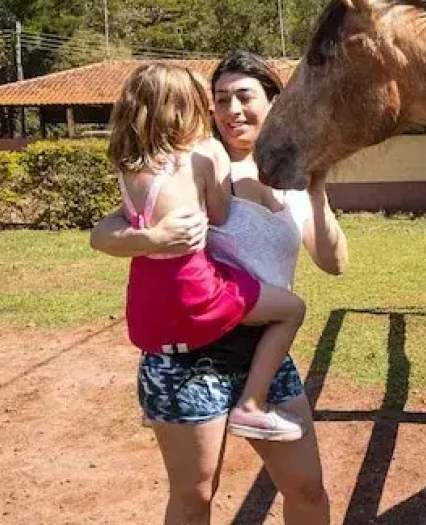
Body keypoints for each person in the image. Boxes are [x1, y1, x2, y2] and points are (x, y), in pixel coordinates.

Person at [91, 50, 374, 525]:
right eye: (220, 97)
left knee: (306, 485)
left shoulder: (290, 177)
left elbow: (335, 263)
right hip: (188, 359)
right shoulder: (189, 159)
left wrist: (319, 186)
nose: (232, 108)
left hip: (263, 350)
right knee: (195, 496)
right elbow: (108, 228)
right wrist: (144, 242)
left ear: (272, 102)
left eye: (245, 95)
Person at [108, 61, 307, 443]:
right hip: (196, 286)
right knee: (292, 309)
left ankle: (166, 407)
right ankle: (252, 404)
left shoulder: (130, 167)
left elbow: (119, 224)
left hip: (149, 291)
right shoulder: (204, 153)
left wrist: (151, 237)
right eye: (213, 101)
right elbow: (220, 212)